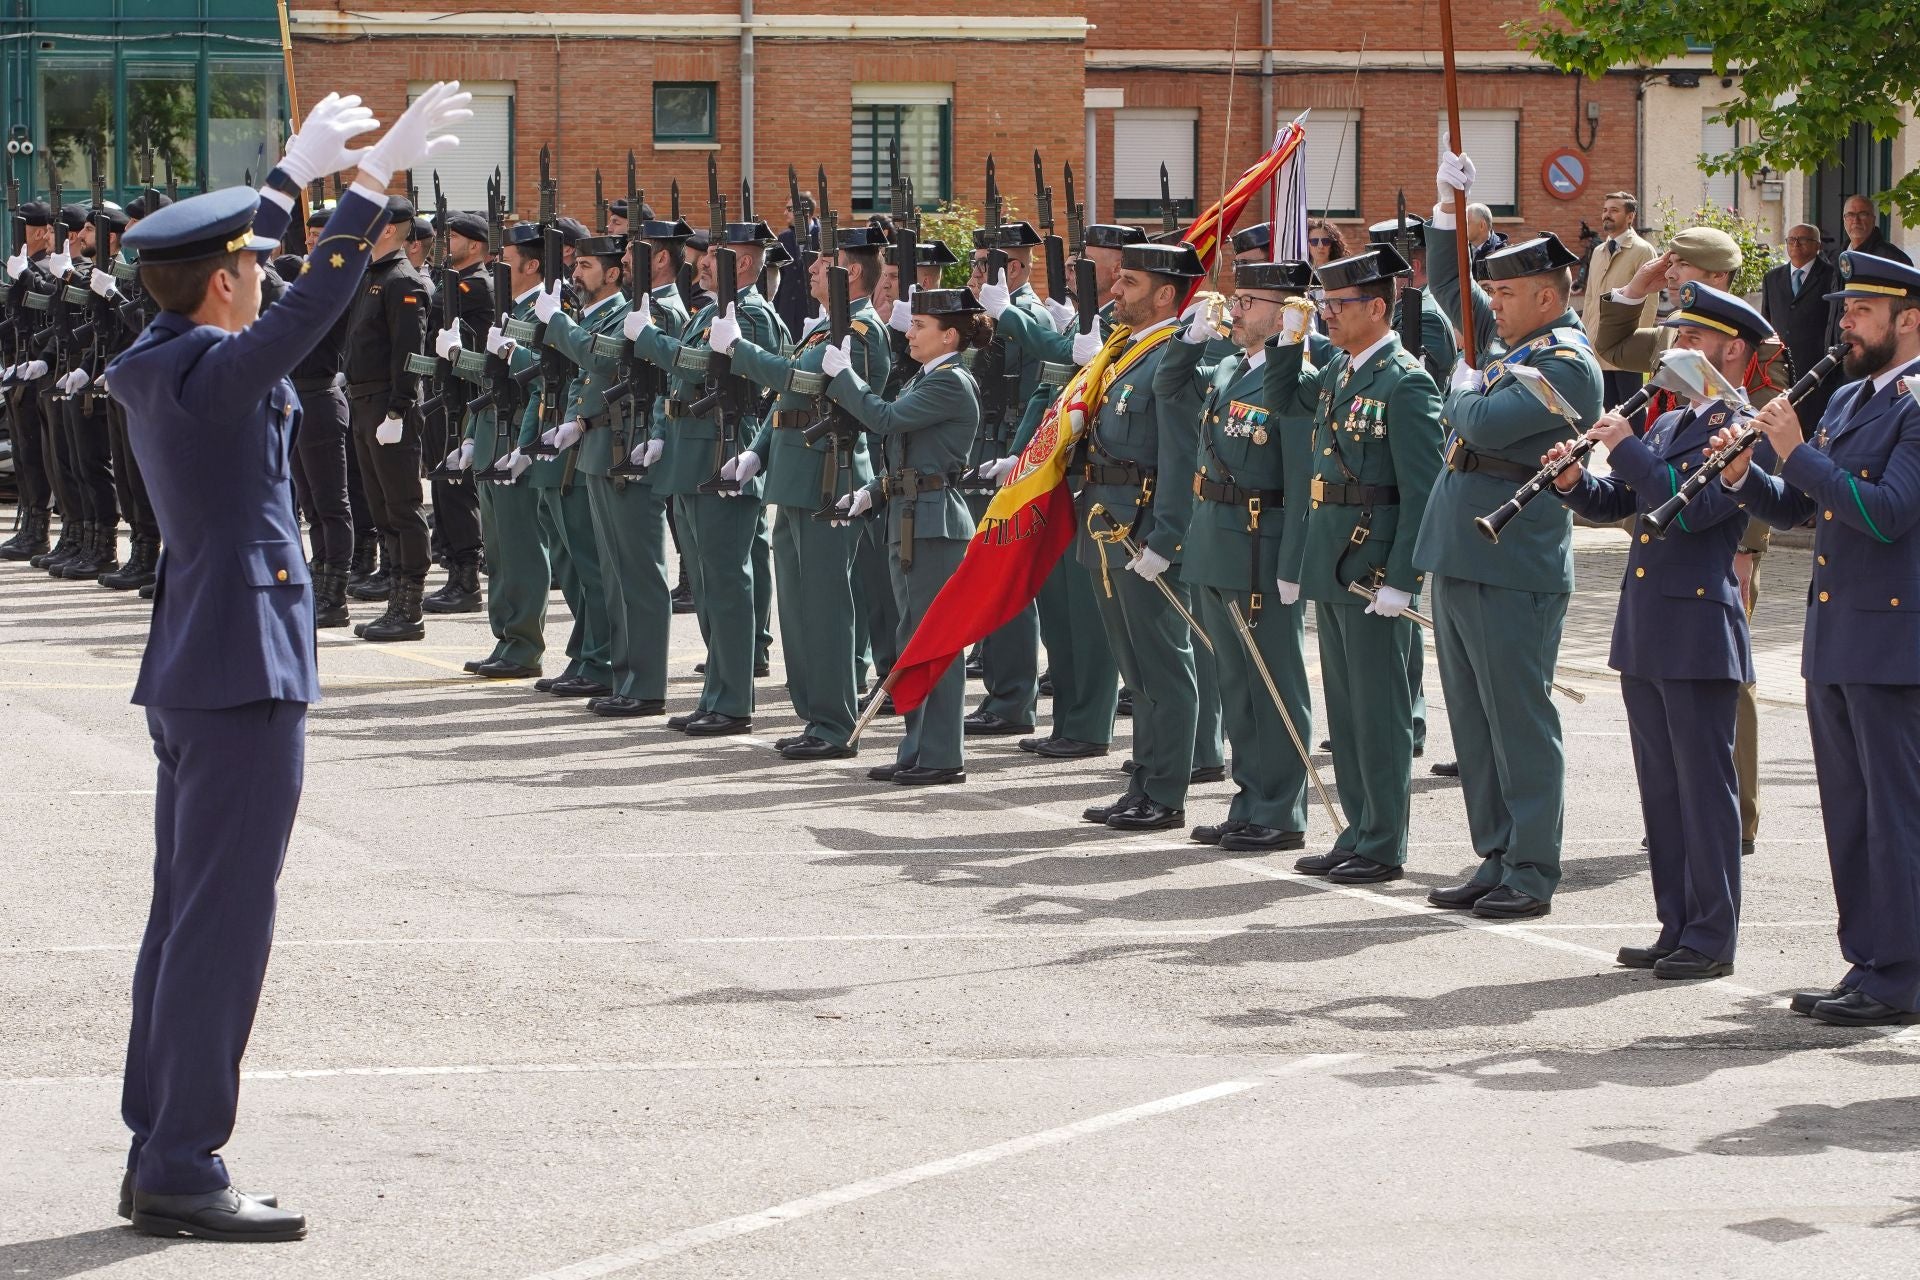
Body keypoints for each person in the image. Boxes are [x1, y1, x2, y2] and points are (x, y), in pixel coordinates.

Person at [104, 82, 469, 1242]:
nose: (260, 265)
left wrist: (284, 180)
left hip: (196, 664)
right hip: (242, 670)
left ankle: (156, 1138)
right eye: (247, 262)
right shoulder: (215, 372)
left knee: (184, 914)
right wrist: (364, 188)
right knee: (222, 921)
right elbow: (298, 310)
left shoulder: (164, 353)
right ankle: (182, 1158)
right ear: (222, 286)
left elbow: (240, 279)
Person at [1712, 249, 1920, 1026]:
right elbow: (1807, 511)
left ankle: (1901, 975)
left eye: (1862, 311)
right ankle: (1869, 962)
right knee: (1851, 813)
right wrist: (1745, 478)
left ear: (1910, 319)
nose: (1844, 323)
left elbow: (1886, 512)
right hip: (1838, 637)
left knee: (1895, 815)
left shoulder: (1914, 402)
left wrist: (1796, 453)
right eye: (1844, 309)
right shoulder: (1846, 402)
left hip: (1894, 642)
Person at [1549, 283, 1776, 980]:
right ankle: (1675, 922)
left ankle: (1711, 935)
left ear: (1730, 349)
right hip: (1649, 624)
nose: (1677, 346)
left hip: (1698, 625)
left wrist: (1623, 449)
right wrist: (1571, 483)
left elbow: (1692, 509)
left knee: (1705, 792)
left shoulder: (1747, 429)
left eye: (1693, 337)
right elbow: (1627, 502)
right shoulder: (1677, 420)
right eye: (1678, 334)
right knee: (1662, 788)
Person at [1417, 149, 1604, 919]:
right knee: (1474, 717)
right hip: (1463, 551)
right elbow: (1442, 292)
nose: (1491, 304)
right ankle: (1496, 851)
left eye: (1505, 292)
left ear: (1547, 294)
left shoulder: (1568, 363)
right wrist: (1447, 211)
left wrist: (1456, 392)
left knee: (1519, 721)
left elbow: (1485, 419)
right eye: (1491, 289)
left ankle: (1533, 865)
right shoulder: (1510, 348)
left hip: (1513, 563)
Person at [1594, 223, 1777, 859]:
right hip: (1657, 520)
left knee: (1727, 686)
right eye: (1668, 273)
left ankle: (1736, 812)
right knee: (1670, 718)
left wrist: (1747, 547)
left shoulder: (1753, 351)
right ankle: (1686, 820)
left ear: (1720, 279)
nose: (1669, 279)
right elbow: (1611, 345)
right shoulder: (1681, 350)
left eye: (1680, 271)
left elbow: (1752, 467)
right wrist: (1634, 287)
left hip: (1718, 536)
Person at [1268, 244, 1443, 879]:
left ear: (1377, 307)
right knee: (1346, 712)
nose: (1327, 314)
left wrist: (1404, 578)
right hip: (1335, 561)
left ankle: (1383, 842)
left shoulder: (1405, 380)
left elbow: (1424, 490)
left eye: (1338, 304)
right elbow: (1287, 396)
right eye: (1323, 303)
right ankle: (1359, 828)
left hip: (1373, 570)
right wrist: (1291, 338)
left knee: (1380, 711)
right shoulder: (1343, 371)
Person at [1157, 258, 1323, 852]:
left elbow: (1304, 479)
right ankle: (1250, 797)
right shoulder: (1228, 364)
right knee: (1235, 681)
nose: (1235, 310)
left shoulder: (1298, 374)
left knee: (1272, 678)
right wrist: (1190, 337)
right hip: (1215, 539)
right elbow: (1167, 390)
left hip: (1262, 543)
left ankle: (1281, 810)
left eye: (1248, 301)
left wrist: (1293, 563)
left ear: (1283, 313)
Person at [720, 226, 891, 758]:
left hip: (829, 478)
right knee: (796, 607)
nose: (811, 270)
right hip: (795, 478)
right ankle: (814, 713)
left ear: (851, 272)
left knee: (825, 606)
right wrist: (759, 451)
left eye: (823, 263)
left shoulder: (862, 331)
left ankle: (835, 721)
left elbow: (807, 383)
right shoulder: (822, 331)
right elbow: (787, 401)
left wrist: (741, 352)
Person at [822, 287, 987, 785]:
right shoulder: (927, 376)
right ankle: (918, 746)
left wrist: (844, 378)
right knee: (911, 638)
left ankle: (941, 754)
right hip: (909, 514)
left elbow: (885, 419)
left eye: (920, 326)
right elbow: (906, 449)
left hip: (932, 523)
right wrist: (874, 491)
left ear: (949, 335)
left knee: (932, 641)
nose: (910, 332)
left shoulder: (951, 383)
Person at [633, 215, 788, 735]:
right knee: (704, 580)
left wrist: (653, 341)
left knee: (725, 580)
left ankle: (733, 700)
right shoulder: (710, 312)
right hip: (690, 451)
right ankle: (715, 691)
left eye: (715, 250)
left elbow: (739, 375)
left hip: (722, 449)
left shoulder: (754, 316)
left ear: (741, 261)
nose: (701, 258)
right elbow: (687, 375)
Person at [1074, 241, 1207, 831]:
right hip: (1109, 522)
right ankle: (1145, 779)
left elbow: (1183, 458)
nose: (1115, 292)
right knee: (1135, 664)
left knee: (1162, 664)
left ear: (1165, 295)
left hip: (1143, 529)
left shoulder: (1175, 359)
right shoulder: (1125, 353)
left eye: (1128, 283)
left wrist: (1167, 537)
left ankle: (1166, 791)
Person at [341, 194, 433, 639]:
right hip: (362, 401)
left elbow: (409, 353)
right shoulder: (371, 275)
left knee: (401, 506)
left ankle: (409, 607)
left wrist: (399, 407)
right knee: (380, 507)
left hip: (386, 405)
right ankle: (395, 598)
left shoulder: (402, 280)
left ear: (394, 228)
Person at [419, 209, 491, 615]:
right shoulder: (457, 284)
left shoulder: (475, 287)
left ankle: (466, 579)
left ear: (476, 245)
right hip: (442, 396)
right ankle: (453, 570)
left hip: (460, 398)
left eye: (456, 237)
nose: (448, 242)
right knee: (442, 485)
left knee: (456, 488)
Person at [0, 200, 59, 563]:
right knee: (22, 451)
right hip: (17, 366)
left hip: (40, 367)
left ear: (37, 232)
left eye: (19, 227)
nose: (13, 236)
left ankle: (38, 531)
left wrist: (23, 278)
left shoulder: (52, 271)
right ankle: (28, 526)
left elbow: (47, 313)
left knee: (38, 453)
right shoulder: (20, 268)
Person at [1579, 191, 1658, 405]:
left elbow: (1650, 302)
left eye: (1614, 210)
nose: (1607, 215)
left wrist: (1637, 344)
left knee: (1631, 412)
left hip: (1626, 349)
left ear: (1630, 216)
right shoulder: (1597, 252)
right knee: (1605, 410)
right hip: (1598, 347)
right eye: (1605, 210)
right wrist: (1585, 337)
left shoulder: (1643, 250)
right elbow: (1590, 299)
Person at [1762, 225, 1840, 429]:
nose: (1796, 244)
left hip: (1816, 366)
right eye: (1791, 239)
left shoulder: (1832, 276)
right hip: (1780, 368)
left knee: (1810, 425)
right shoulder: (1772, 277)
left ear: (1818, 246)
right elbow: (1767, 321)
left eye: (1803, 239)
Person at [1839, 194, 1912, 267]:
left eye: (1862, 214)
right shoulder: (1836, 256)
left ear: (1873, 220)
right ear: (1844, 220)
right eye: (1850, 215)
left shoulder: (1894, 259)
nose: (1856, 220)